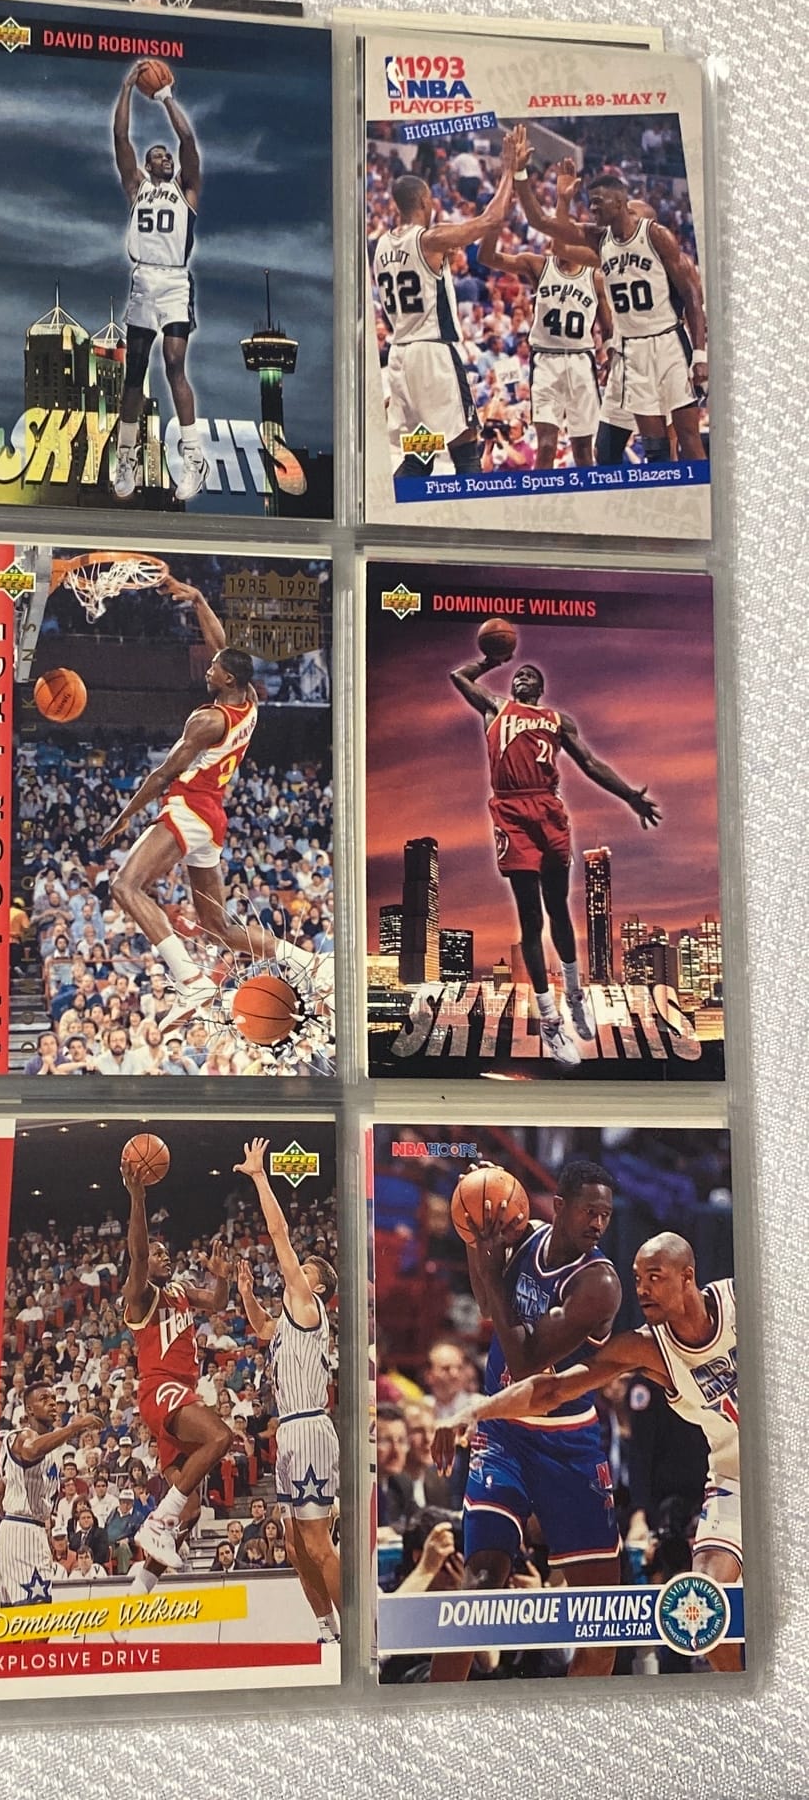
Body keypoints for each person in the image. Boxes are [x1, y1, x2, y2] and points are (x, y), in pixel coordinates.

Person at [445, 1231, 741, 1673]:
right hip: (733, 1483)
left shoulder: (741, 1302)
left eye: (655, 1277)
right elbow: (553, 1389)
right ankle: (745, 1694)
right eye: (637, 1278)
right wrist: (477, 1410)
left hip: (785, 1466)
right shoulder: (646, 1348)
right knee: (700, 1613)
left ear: (687, 1277)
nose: (642, 1289)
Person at [428, 1158, 624, 1682]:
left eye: (605, 1215)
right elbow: (485, 1303)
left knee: (602, 1619)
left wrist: (494, 1270)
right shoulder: (529, 1239)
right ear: (558, 1206)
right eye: (588, 1211)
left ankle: (578, 1716)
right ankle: (430, 1712)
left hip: (567, 1445)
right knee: (478, 1585)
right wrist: (478, 1236)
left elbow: (524, 1363)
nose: (597, 1223)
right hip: (504, 1437)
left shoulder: (598, 1284)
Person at [98, 578, 323, 1030]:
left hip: (188, 807)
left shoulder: (207, 720)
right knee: (218, 927)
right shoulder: (249, 702)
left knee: (125, 887)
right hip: (212, 819)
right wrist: (199, 600)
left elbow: (162, 775)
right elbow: (223, 646)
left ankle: (190, 980)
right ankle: (307, 962)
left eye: (214, 669)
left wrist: (125, 817)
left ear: (228, 680)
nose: (208, 668)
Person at [449, 640, 660, 1067]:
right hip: (511, 811)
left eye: (530, 675)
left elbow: (590, 763)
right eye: (517, 674)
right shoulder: (495, 708)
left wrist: (629, 796)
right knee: (530, 919)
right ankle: (549, 1019)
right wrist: (491, 660)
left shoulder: (557, 720)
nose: (522, 677)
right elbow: (459, 677)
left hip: (548, 809)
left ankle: (574, 995)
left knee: (558, 908)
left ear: (541, 688)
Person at [508, 123, 707, 465]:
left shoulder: (655, 236)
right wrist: (521, 174)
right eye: (590, 204)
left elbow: (691, 295)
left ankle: (699, 494)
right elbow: (541, 223)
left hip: (668, 340)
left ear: (620, 202)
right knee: (655, 448)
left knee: (688, 438)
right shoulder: (600, 240)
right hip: (632, 350)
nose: (593, 209)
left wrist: (700, 354)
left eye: (598, 203)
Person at [234, 1138, 341, 1638]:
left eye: (305, 1270)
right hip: (291, 1432)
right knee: (295, 1547)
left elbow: (278, 1234)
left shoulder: (308, 1304)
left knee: (318, 1544)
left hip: (310, 1428)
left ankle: (363, 1635)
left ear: (316, 1287)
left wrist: (260, 1176)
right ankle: (327, 1628)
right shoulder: (288, 1322)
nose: (296, 1272)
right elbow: (261, 1328)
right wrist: (247, 1296)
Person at [119, 1151, 232, 1584]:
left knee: (192, 1510)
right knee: (220, 1436)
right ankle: (156, 1522)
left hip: (180, 1395)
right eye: (158, 1254)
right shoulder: (139, 1297)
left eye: (167, 1253)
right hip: (161, 1389)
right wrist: (138, 1198)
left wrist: (221, 1276)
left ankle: (139, 1590)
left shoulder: (181, 1291)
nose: (164, 1257)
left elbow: (217, 1302)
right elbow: (137, 1252)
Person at [371, 165, 513, 479]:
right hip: (432, 355)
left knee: (419, 456)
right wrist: (509, 170)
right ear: (425, 201)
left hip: (401, 357)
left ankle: (391, 505)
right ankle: (472, 509)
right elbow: (491, 219)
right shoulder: (430, 240)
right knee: (466, 447)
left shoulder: (381, 245)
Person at [477, 148, 611, 471]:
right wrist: (496, 220)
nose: (557, 240)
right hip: (546, 361)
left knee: (584, 451)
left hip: (581, 361)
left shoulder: (595, 277)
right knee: (547, 445)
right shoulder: (538, 265)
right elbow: (486, 257)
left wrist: (608, 353)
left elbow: (607, 327)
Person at [110, 62, 206, 500]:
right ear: (147, 167)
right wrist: (127, 87)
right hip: (143, 281)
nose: (164, 158)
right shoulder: (138, 188)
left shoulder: (187, 189)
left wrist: (165, 97)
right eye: (157, 156)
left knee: (173, 362)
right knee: (134, 373)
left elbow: (187, 140)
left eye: (166, 156)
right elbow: (121, 138)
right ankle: (125, 457)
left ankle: (193, 457)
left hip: (174, 283)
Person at [0, 1382, 100, 1607]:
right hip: (22, 1530)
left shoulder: (50, 1450)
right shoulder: (21, 1436)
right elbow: (31, 1449)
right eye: (44, 1399)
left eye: (53, 1399)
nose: (52, 1403)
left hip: (27, 1528)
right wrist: (74, 1427)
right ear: (29, 1410)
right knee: (36, 1614)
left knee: (15, 1614)